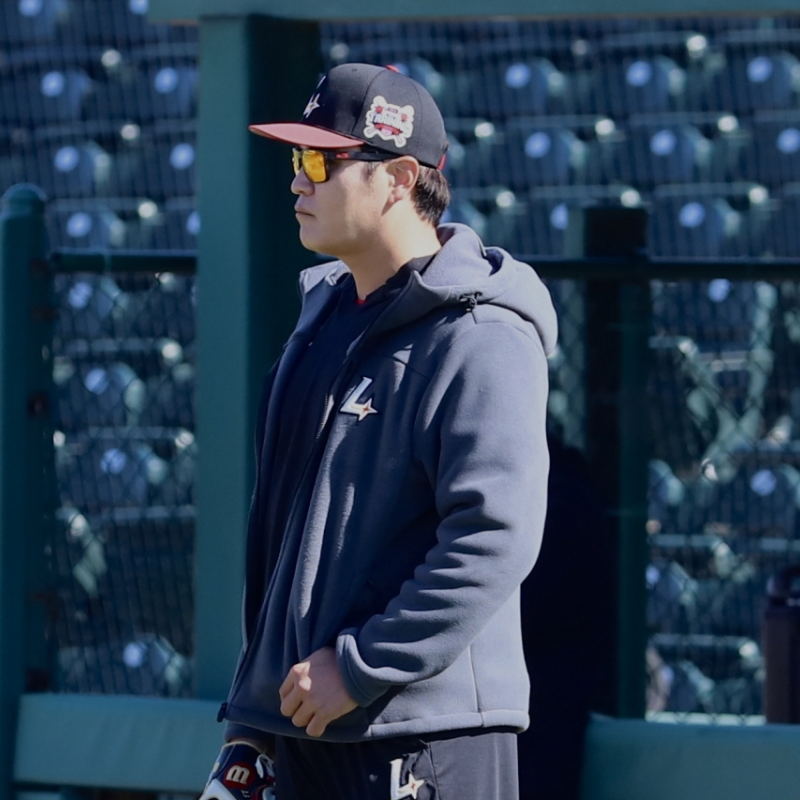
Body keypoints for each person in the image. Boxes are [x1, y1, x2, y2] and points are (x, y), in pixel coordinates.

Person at [200, 62, 557, 800]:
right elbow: (288, 545)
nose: (297, 182)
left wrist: (363, 666)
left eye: (319, 161)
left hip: (424, 735)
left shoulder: (482, 335)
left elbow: (493, 536)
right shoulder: (322, 320)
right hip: (306, 727)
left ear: (398, 178)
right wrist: (253, 723)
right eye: (296, 160)